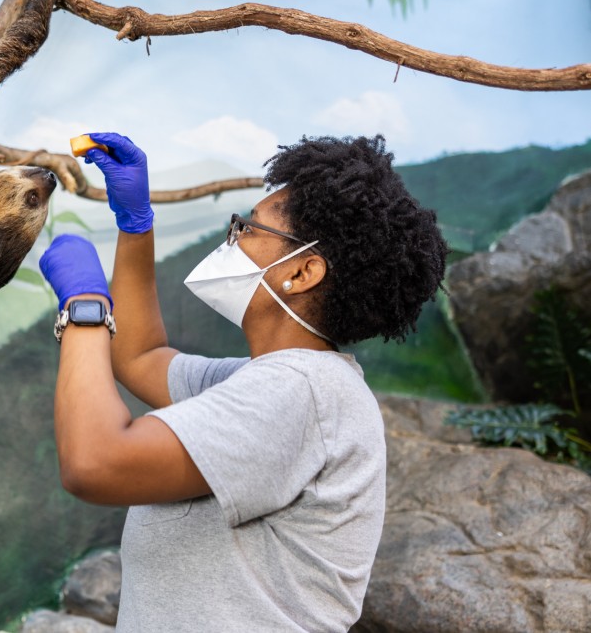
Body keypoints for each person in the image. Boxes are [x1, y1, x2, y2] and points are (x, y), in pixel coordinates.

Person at [38, 132, 447, 632]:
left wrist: (84, 309)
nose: (231, 239)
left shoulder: (301, 394)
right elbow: (139, 357)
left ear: (302, 271)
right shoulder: (269, 384)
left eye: (249, 229)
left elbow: (94, 462)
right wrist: (135, 225)